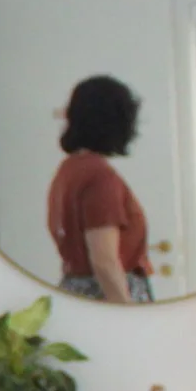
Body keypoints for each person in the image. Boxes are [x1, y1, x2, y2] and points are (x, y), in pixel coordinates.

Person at [47, 74, 155, 303]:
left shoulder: (69, 169)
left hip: (76, 292)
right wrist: (125, 313)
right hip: (105, 297)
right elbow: (104, 261)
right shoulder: (100, 177)